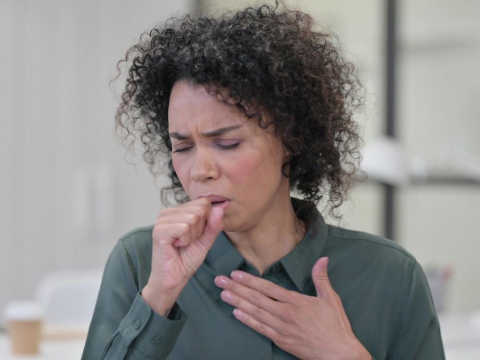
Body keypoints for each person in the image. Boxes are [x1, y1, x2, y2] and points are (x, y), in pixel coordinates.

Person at [82, 1, 445, 359]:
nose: (200, 169)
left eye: (227, 143)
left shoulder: (391, 276)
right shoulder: (141, 263)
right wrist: (158, 297)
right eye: (183, 147)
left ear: (290, 139)